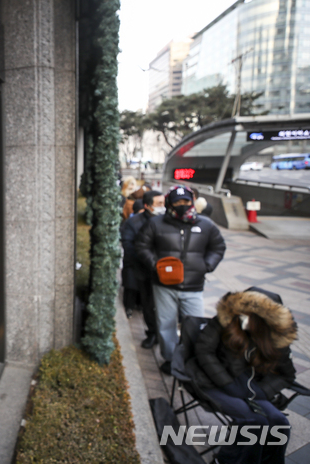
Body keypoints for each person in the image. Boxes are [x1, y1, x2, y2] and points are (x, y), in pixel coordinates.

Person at [187, 289, 296, 464]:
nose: (243, 317)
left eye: (251, 314)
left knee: (279, 423)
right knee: (255, 421)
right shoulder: (227, 319)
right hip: (212, 380)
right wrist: (229, 385)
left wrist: (261, 392)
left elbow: (287, 375)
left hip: (253, 388)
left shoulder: (276, 336)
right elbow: (204, 350)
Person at [135, 185, 226, 374]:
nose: (182, 205)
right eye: (177, 202)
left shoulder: (206, 225)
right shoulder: (155, 223)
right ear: (170, 203)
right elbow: (142, 246)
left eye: (186, 201)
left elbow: (218, 247)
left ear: (192, 202)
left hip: (193, 286)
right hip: (163, 284)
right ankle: (169, 359)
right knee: (165, 324)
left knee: (194, 325)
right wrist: (156, 265)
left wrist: (206, 266)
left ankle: (190, 360)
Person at [121, 190, 164, 348]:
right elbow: (129, 246)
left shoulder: (168, 220)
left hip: (165, 272)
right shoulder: (134, 223)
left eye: (163, 203)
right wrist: (149, 261)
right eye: (159, 204)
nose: (163, 207)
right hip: (144, 271)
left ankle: (163, 335)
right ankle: (152, 332)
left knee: (164, 305)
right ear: (147, 206)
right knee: (148, 305)